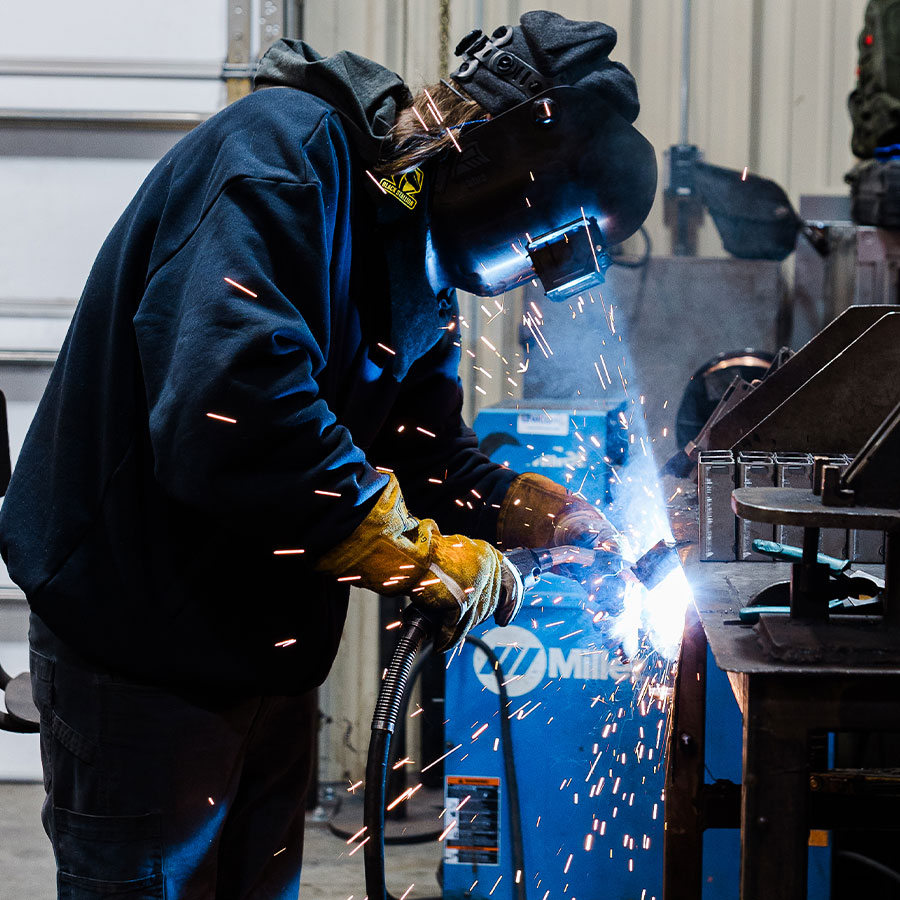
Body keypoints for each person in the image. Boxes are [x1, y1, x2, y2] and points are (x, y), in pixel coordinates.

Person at [0, 10, 655, 899]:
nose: (529, 272)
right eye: (544, 243)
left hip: (262, 649)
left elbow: (424, 453)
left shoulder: (414, 251)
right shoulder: (282, 159)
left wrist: (526, 512)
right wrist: (418, 558)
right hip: (138, 646)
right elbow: (231, 410)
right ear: (503, 151)